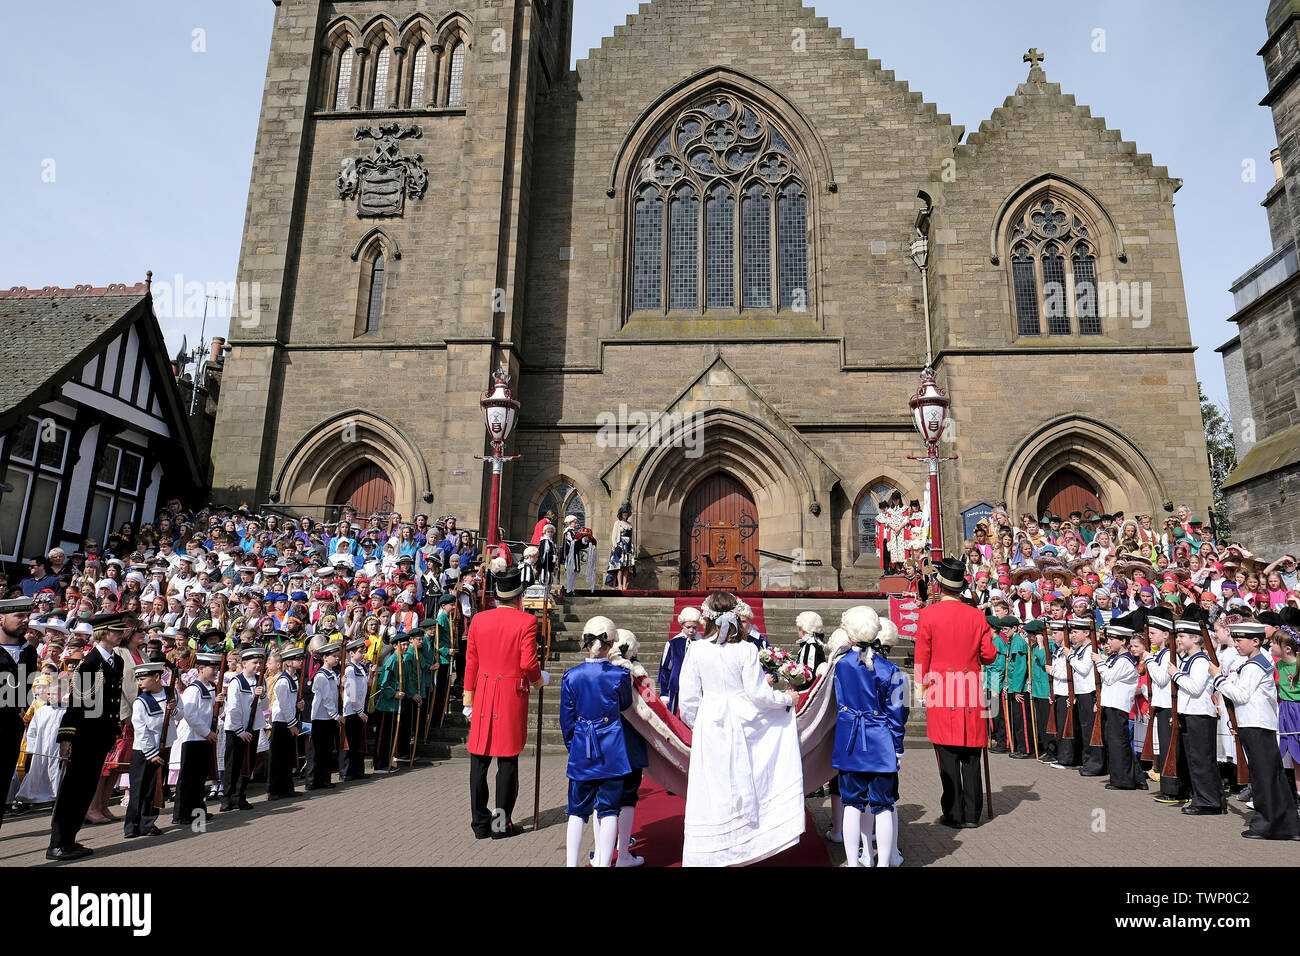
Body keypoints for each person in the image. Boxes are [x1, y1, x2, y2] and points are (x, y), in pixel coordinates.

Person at [677, 591, 803, 866]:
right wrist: (786, 699)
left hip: (709, 720)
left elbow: (686, 699)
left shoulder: (696, 649)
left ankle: (715, 849)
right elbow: (759, 694)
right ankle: (743, 845)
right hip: (740, 718)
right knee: (743, 775)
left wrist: (699, 723)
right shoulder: (745, 649)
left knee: (713, 784)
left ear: (706, 618)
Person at [463, 566, 547, 840]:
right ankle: (501, 825)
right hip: (511, 695)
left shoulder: (478, 620)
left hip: (484, 692)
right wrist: (538, 681)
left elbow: (471, 663)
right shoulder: (526, 622)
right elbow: (528, 663)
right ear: (519, 596)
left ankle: (479, 823)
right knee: (507, 761)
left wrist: (468, 697)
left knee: (479, 760)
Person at [913, 557, 997, 828]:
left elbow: (921, 656)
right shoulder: (977, 615)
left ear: (940, 585)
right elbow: (989, 656)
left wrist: (920, 689)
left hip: (941, 690)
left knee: (947, 756)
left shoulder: (928, 614)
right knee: (971, 754)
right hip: (971, 690)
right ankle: (973, 815)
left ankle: (954, 813)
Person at [47, 612, 131, 861]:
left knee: (84, 790)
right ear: (104, 633)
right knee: (73, 790)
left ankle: (70, 839)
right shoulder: (90, 662)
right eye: (116, 631)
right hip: (84, 736)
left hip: (100, 735)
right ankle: (58, 842)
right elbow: (77, 704)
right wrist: (67, 737)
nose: (120, 635)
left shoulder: (116, 660)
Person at [833, 606, 909, 868]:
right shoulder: (891, 669)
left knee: (852, 803)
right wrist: (898, 748)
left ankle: (854, 862)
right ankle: (885, 863)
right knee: (883, 805)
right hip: (881, 742)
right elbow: (898, 714)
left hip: (850, 740)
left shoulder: (840, 665)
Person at [1212, 622, 1300, 840]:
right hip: (1256, 725)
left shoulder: (1254, 666)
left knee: (1264, 778)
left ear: (1255, 641)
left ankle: (1267, 823)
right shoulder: (1252, 663)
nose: (1237, 644)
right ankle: (1287, 824)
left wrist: (1217, 679)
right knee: (1270, 776)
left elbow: (1242, 695)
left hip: (1257, 726)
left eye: (1240, 640)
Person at [560, 617, 631, 868]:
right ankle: (604, 863)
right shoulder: (620, 675)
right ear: (611, 643)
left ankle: (571, 865)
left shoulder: (571, 676)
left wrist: (574, 745)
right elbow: (625, 704)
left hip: (582, 746)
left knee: (577, 809)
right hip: (611, 745)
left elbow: (566, 720)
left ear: (585, 641)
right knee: (609, 808)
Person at [1168, 620, 1226, 816]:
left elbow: (1195, 687)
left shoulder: (1200, 660)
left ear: (1195, 639)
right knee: (1197, 759)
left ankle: (1207, 801)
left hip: (1200, 714)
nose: (1178, 640)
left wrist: (1176, 675)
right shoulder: (1189, 659)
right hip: (1190, 713)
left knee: (1201, 760)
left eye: (1182, 636)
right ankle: (1211, 799)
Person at [1138, 611, 1189, 804]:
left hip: (1169, 705)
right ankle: (1169, 787)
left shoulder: (1168, 653)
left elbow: (1161, 678)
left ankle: (1174, 789)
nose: (1150, 637)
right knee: (1166, 747)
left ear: (1166, 634)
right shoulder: (1160, 653)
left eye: (1153, 633)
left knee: (1170, 749)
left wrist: (1148, 659)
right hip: (1161, 704)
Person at [608, 629, 648, 867]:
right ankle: (622, 851)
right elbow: (649, 704)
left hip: (602, 742)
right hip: (628, 740)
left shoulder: (595, 671)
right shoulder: (634, 675)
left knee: (604, 798)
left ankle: (603, 850)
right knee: (627, 797)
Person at [0, 597, 39, 832]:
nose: (25, 621)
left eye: (27, 616)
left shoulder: (28, 653)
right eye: (19, 616)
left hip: (10, 731)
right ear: (1, 618)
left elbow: (25, 690)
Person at [1093, 623, 1148, 791]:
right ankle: (1135, 778)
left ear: (1123, 641)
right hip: (1111, 703)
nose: (1108, 642)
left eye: (1112, 639)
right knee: (1116, 742)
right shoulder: (1116, 658)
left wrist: (1098, 662)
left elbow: (1109, 677)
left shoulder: (1125, 660)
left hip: (1119, 705)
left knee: (1118, 744)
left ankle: (1123, 780)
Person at [123, 661, 172, 839]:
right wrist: (151, 754)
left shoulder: (169, 693)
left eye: (143, 679)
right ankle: (131, 826)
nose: (139, 683)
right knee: (139, 790)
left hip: (163, 747)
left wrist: (173, 710)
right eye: (138, 679)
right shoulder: (140, 702)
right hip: (144, 752)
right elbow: (141, 730)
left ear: (157, 677)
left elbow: (181, 715)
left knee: (155, 789)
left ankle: (148, 823)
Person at [173, 651, 222, 825]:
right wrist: (206, 732)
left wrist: (220, 704)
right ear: (201, 668)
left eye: (217, 667)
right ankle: (181, 813)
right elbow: (190, 715)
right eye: (212, 667)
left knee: (200, 777)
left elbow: (213, 714)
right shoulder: (193, 689)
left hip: (204, 737)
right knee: (188, 777)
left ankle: (197, 810)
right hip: (193, 737)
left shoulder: (213, 687)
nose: (216, 671)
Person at [220, 645, 266, 812]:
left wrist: (263, 695)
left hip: (253, 727)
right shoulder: (236, 682)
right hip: (236, 730)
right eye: (255, 662)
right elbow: (233, 708)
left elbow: (265, 706)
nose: (258, 666)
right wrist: (240, 731)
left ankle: (240, 796)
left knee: (247, 764)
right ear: (244, 663)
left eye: (260, 663)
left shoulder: (261, 681)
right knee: (232, 764)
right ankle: (227, 798)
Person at [268, 644, 304, 799]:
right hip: (281, 722)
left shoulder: (293, 678)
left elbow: (290, 702)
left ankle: (286, 787)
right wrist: (292, 724)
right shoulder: (283, 680)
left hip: (288, 720)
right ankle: (274, 790)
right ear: (288, 663)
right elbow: (283, 704)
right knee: (277, 757)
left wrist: (298, 706)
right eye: (297, 659)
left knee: (287, 756)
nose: (301, 661)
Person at [307, 638, 343, 791]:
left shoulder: (332, 674)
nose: (337, 658)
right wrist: (335, 715)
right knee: (317, 750)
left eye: (337, 655)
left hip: (327, 717)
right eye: (334, 656)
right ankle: (312, 780)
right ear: (325, 658)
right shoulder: (321, 675)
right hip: (321, 717)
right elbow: (327, 698)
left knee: (326, 750)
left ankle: (323, 779)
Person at [658, 607, 700, 715]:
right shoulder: (673, 643)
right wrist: (664, 693)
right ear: (682, 625)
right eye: (688, 627)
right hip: (677, 689)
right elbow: (665, 669)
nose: (691, 630)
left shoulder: (702, 643)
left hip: (697, 688)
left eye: (694, 627)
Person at [341, 637, 370, 779]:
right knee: (349, 742)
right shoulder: (350, 669)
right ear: (351, 653)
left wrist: (373, 673)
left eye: (363, 651)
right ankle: (347, 772)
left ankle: (358, 771)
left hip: (359, 710)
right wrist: (359, 711)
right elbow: (351, 693)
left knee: (358, 742)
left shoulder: (362, 668)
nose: (362, 654)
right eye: (359, 652)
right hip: (352, 711)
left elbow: (366, 687)